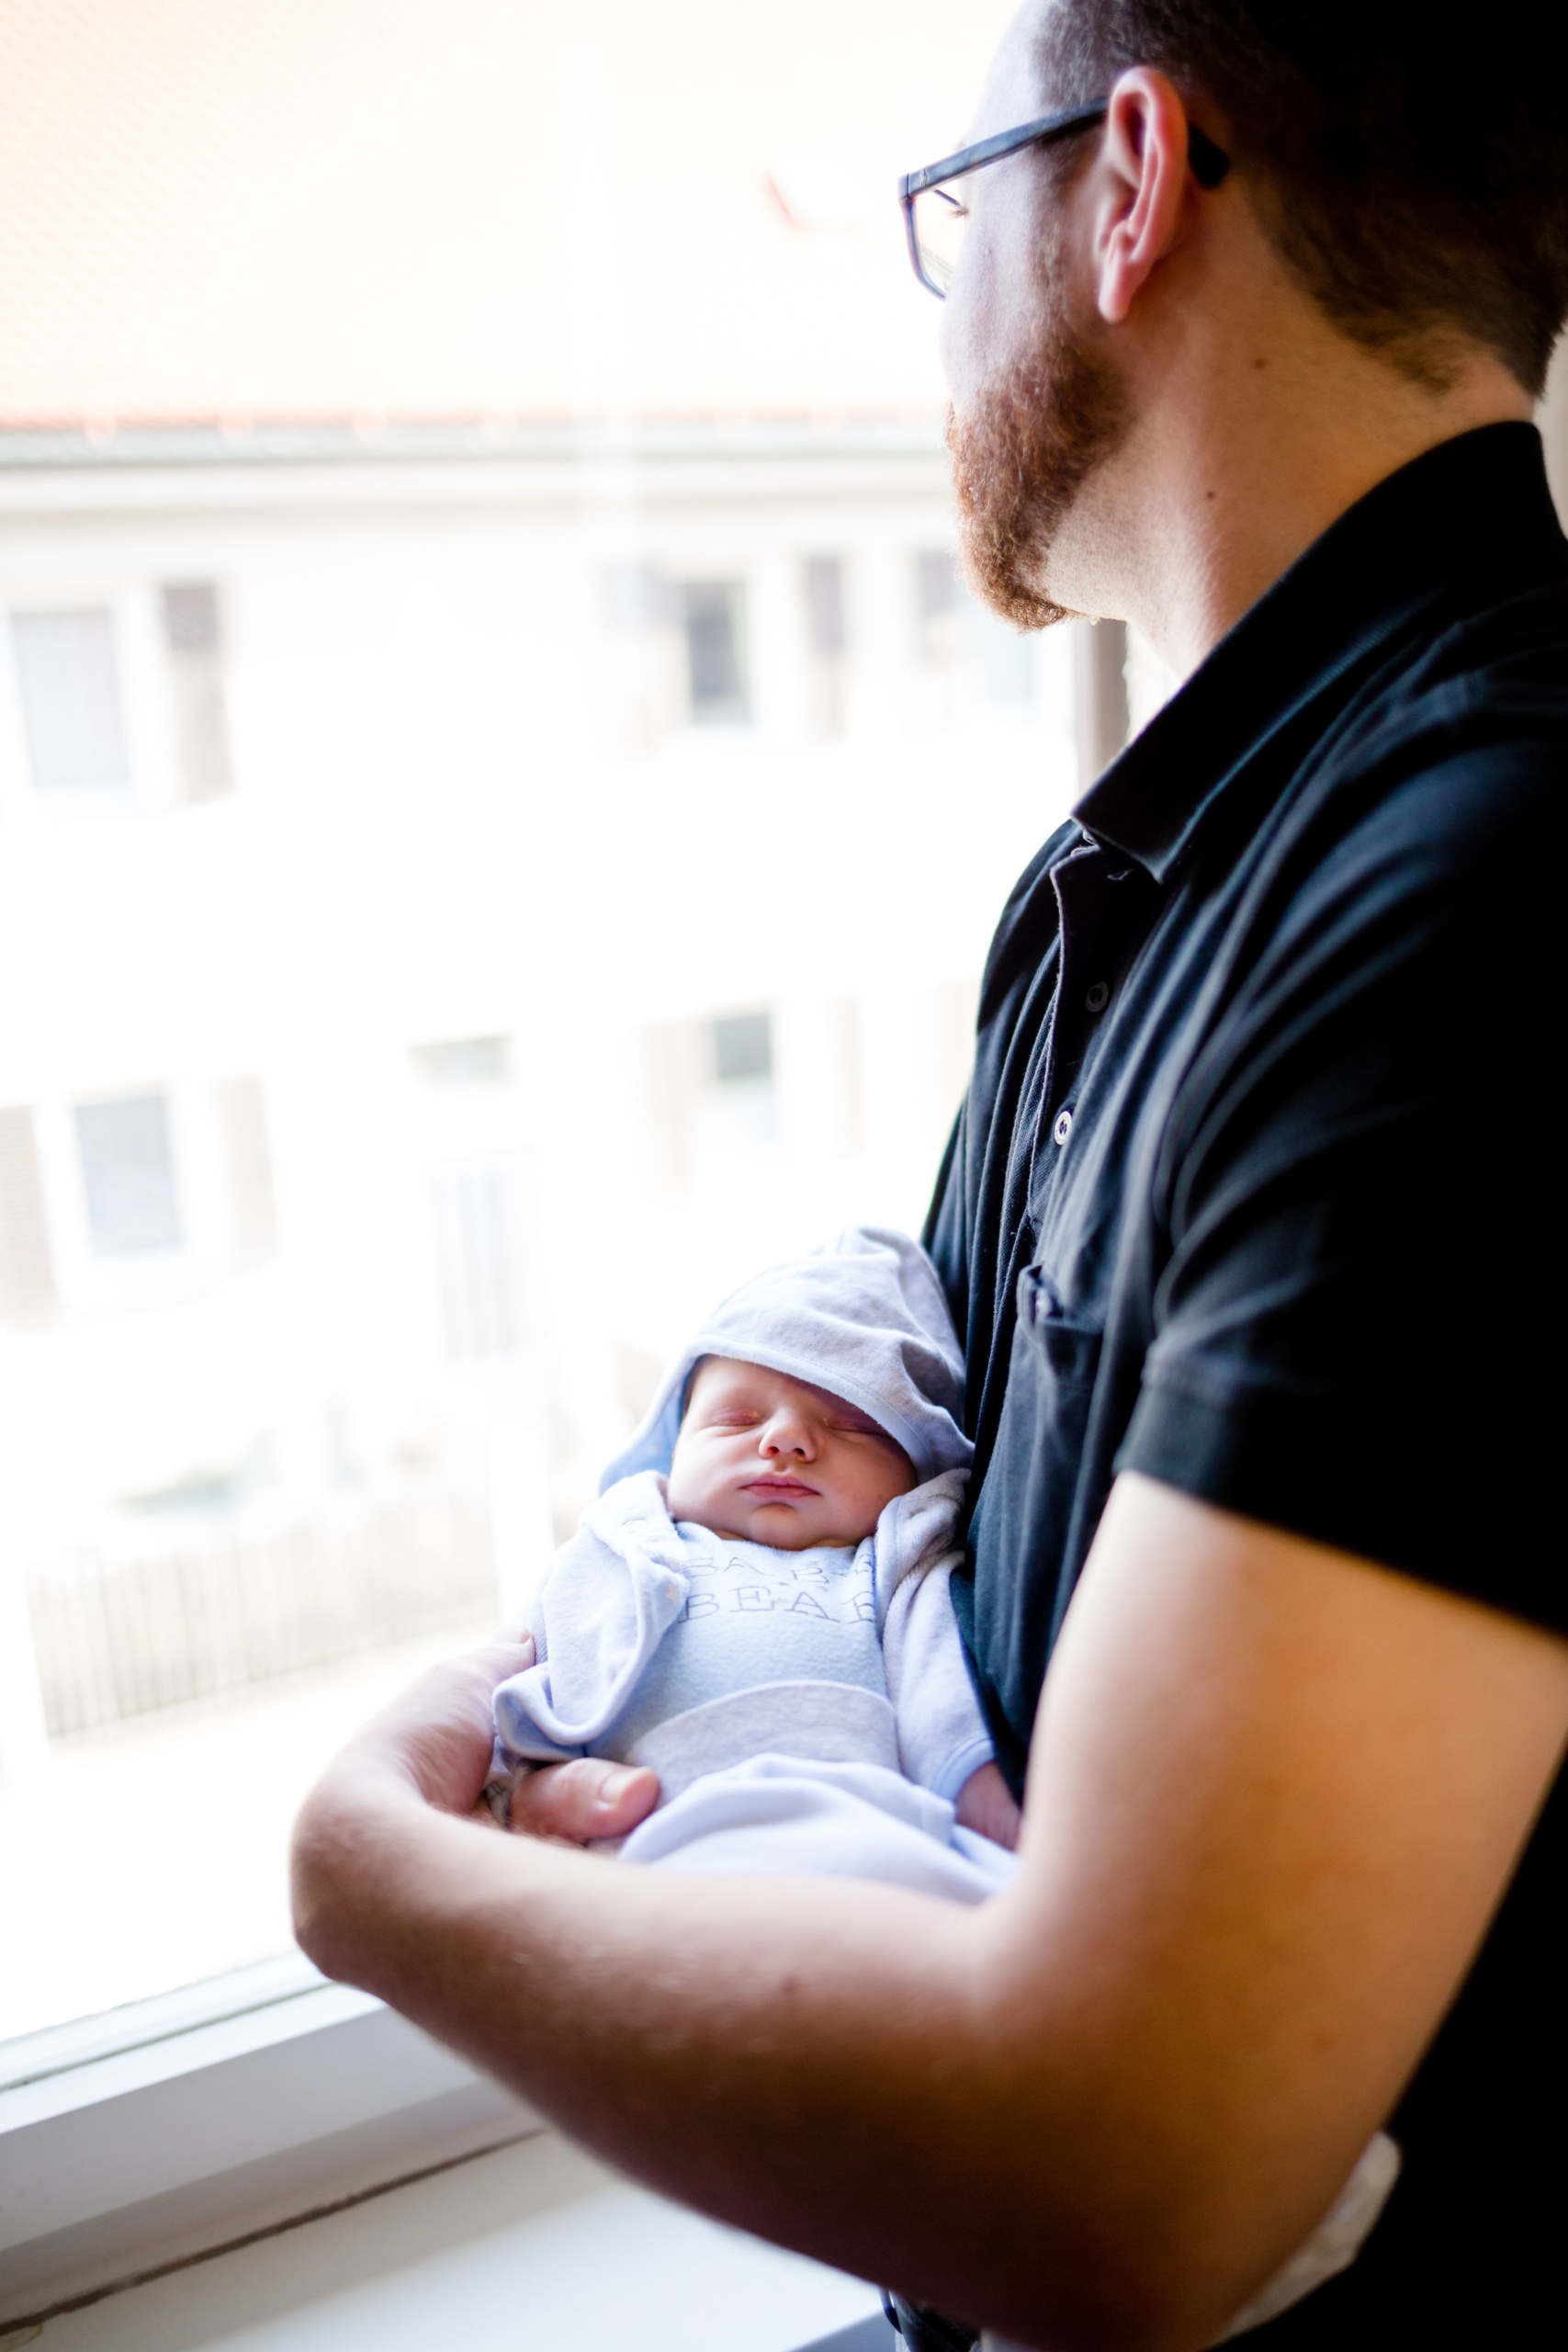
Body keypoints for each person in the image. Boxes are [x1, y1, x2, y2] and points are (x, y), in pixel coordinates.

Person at [292, 4, 1568, 2343]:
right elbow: (893, 1471)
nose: (936, 301)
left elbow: (1129, 2175)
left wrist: (370, 1865)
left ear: (1126, 179)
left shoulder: (1465, 905)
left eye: (941, 212)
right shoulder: (1137, 885)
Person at [487, 1227, 1021, 1898]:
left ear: (915, 1469)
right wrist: (531, 1788)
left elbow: (943, 1707)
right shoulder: (613, 1554)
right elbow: (513, 1701)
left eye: (852, 1423)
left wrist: (999, 1816)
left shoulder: (890, 1570)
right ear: (671, 1449)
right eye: (737, 1419)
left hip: (864, 1844)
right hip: (652, 1847)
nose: (785, 1440)